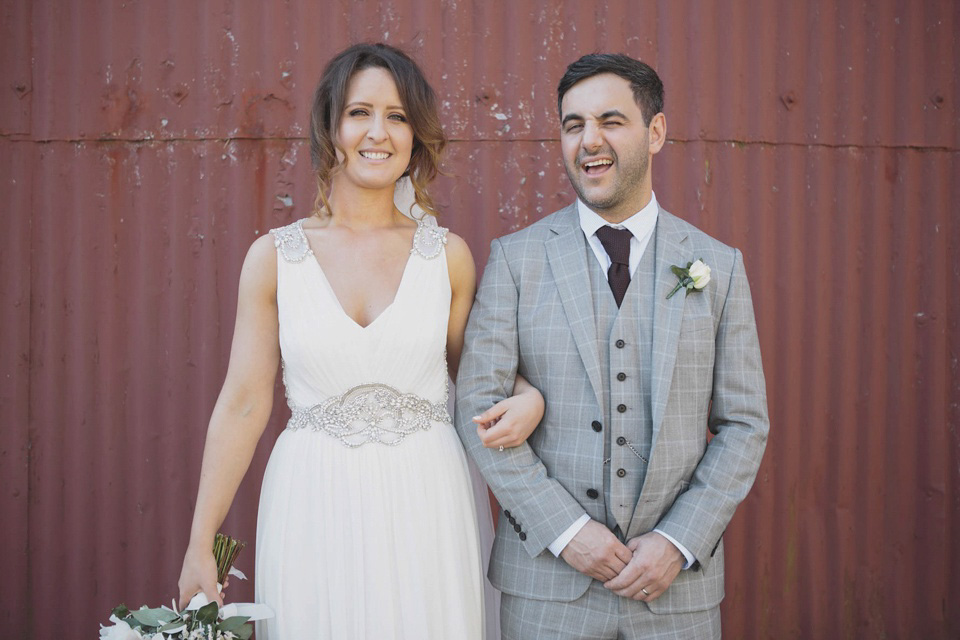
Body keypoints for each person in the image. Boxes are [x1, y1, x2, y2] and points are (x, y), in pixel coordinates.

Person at [176, 43, 544, 639]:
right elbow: (243, 403)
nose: (379, 133)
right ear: (331, 127)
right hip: (311, 502)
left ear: (416, 135)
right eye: (359, 112)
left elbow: (482, 375)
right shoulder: (274, 258)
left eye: (398, 116)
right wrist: (199, 544)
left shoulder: (446, 256)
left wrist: (529, 397)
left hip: (428, 501)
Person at [455, 53, 769, 639]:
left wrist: (680, 541)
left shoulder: (717, 266)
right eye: (573, 125)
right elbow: (477, 405)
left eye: (610, 121)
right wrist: (566, 531)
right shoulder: (516, 260)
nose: (588, 141)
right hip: (548, 587)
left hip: (676, 590)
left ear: (655, 132)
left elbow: (743, 424)